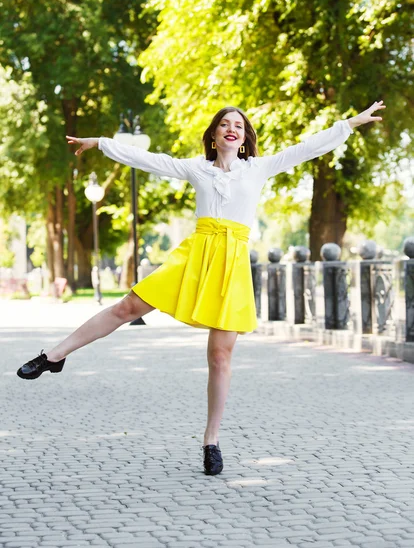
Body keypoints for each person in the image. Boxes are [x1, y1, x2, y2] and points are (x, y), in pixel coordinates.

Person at [17, 101, 386, 475]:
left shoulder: (258, 168)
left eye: (238, 126)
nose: (231, 129)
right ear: (213, 134)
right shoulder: (197, 168)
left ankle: (211, 440)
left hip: (232, 263)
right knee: (128, 307)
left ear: (244, 138)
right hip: (196, 254)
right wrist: (102, 143)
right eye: (224, 124)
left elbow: (308, 147)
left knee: (219, 356)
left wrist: (350, 124)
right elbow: (150, 160)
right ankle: (54, 356)